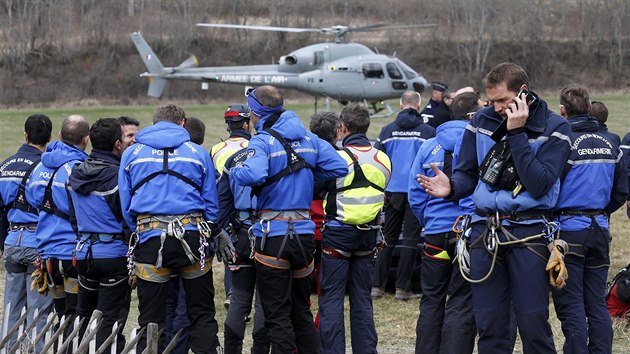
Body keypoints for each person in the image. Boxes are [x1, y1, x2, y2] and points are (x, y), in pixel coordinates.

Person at [418, 62, 573, 353]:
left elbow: (539, 183)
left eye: (503, 100)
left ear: (523, 92)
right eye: (492, 101)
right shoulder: (480, 122)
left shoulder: (556, 127)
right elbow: (466, 173)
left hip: (528, 234)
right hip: (484, 232)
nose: (497, 107)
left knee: (533, 324)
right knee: (489, 325)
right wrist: (451, 187)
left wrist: (515, 134)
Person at [230, 85, 347, 353]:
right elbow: (339, 166)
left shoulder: (261, 141)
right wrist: (305, 178)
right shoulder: (308, 137)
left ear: (256, 113)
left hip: (273, 235)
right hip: (304, 235)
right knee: (301, 312)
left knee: (277, 315)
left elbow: (255, 174)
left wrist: (235, 169)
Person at [118, 104, 235, 353]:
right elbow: (211, 204)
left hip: (149, 239)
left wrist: (140, 229)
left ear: (154, 122)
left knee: (150, 318)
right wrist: (211, 231)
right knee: (202, 314)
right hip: (193, 240)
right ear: (182, 123)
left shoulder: (132, 154)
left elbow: (126, 204)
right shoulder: (198, 152)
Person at [551, 84, 627, 354]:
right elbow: (621, 189)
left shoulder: (563, 140)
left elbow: (549, 185)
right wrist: (603, 210)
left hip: (569, 230)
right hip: (599, 228)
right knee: (596, 300)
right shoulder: (613, 141)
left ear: (563, 111)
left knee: (570, 302)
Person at [409, 92, 481, 354]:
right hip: (467, 234)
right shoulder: (480, 142)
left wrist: (429, 221)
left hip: (435, 235)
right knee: (461, 301)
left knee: (432, 300)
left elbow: (415, 194)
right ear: (474, 115)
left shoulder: (429, 146)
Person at [318, 104, 391, 353]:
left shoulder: (336, 158)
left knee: (332, 299)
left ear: (343, 128)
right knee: (362, 299)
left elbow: (319, 189)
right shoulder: (383, 158)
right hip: (368, 236)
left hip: (338, 234)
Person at [68, 118, 132, 352]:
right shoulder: (118, 177)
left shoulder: (75, 174)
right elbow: (126, 218)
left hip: (84, 253)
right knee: (109, 320)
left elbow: (73, 218)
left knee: (83, 317)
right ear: (117, 144)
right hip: (113, 255)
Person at [26, 114, 89, 349]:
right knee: (75, 314)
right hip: (71, 253)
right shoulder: (79, 168)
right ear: (86, 140)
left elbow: (33, 200)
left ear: (60, 136)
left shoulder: (40, 166)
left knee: (61, 313)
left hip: (47, 256)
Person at [217, 104, 270, 354]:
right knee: (263, 300)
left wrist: (221, 233)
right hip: (267, 234)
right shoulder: (269, 156)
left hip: (239, 234)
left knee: (239, 298)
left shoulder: (230, 158)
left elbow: (221, 202)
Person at [372, 90, 435, 301]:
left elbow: (378, 161)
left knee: (387, 238)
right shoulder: (427, 131)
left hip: (391, 191)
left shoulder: (387, 130)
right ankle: (402, 289)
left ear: (400, 105)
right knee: (410, 239)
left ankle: (377, 287)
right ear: (418, 106)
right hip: (417, 190)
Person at [0, 114, 53, 351]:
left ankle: (8, 349)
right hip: (37, 243)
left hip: (12, 240)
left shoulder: (5, 165)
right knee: (39, 311)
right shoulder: (47, 169)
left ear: (25, 135)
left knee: (11, 309)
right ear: (50, 138)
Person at [162, 117, 207, 354]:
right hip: (191, 237)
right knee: (185, 302)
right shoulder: (200, 157)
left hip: (158, 236)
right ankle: (178, 346)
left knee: (169, 300)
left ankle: (167, 345)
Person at [211, 105, 252, 309]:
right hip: (249, 210)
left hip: (226, 209)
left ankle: (231, 294)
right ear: (246, 124)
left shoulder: (217, 149)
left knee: (230, 252)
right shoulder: (254, 146)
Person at [308, 111, 340, 330]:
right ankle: (319, 329)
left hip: (303, 226)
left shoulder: (303, 154)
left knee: (300, 285)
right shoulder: (340, 157)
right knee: (326, 288)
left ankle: (305, 331)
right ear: (336, 132)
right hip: (329, 228)